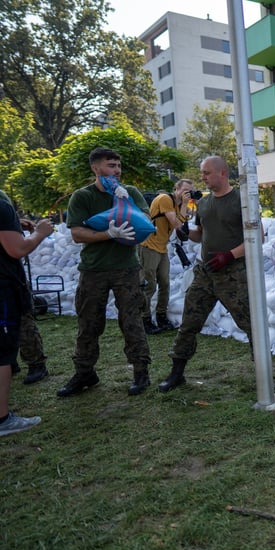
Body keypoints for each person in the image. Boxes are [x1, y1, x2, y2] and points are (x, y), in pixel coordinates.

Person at [60, 147, 152, 397]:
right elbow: (77, 233)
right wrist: (108, 234)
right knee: (89, 323)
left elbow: (144, 221)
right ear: (96, 168)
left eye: (118, 166)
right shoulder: (82, 197)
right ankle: (84, 373)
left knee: (131, 320)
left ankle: (141, 372)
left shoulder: (129, 192)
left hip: (127, 269)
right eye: (111, 166)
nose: (117, 171)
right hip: (93, 270)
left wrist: (126, 203)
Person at [157, 156, 252, 392]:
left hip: (233, 274)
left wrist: (229, 255)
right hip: (205, 271)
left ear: (222, 173)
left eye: (206, 173)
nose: (202, 177)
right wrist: (185, 233)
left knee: (251, 323)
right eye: (202, 173)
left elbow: (255, 237)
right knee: (189, 322)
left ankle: (263, 372)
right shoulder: (204, 204)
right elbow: (200, 233)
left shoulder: (242, 199)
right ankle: (176, 373)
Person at [0, 191, 52, 435]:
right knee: (3, 351)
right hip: (3, 288)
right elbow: (17, 249)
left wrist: (12, 225)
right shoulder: (1, 206)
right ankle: (2, 419)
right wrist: (40, 233)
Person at [139, 179, 194, 334]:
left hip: (162, 247)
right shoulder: (164, 199)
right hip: (149, 245)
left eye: (189, 191)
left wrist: (184, 204)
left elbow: (181, 221)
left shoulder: (177, 204)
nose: (187, 193)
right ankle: (145, 320)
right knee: (149, 284)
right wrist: (184, 204)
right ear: (176, 188)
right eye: (185, 190)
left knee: (165, 283)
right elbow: (176, 223)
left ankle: (161, 316)